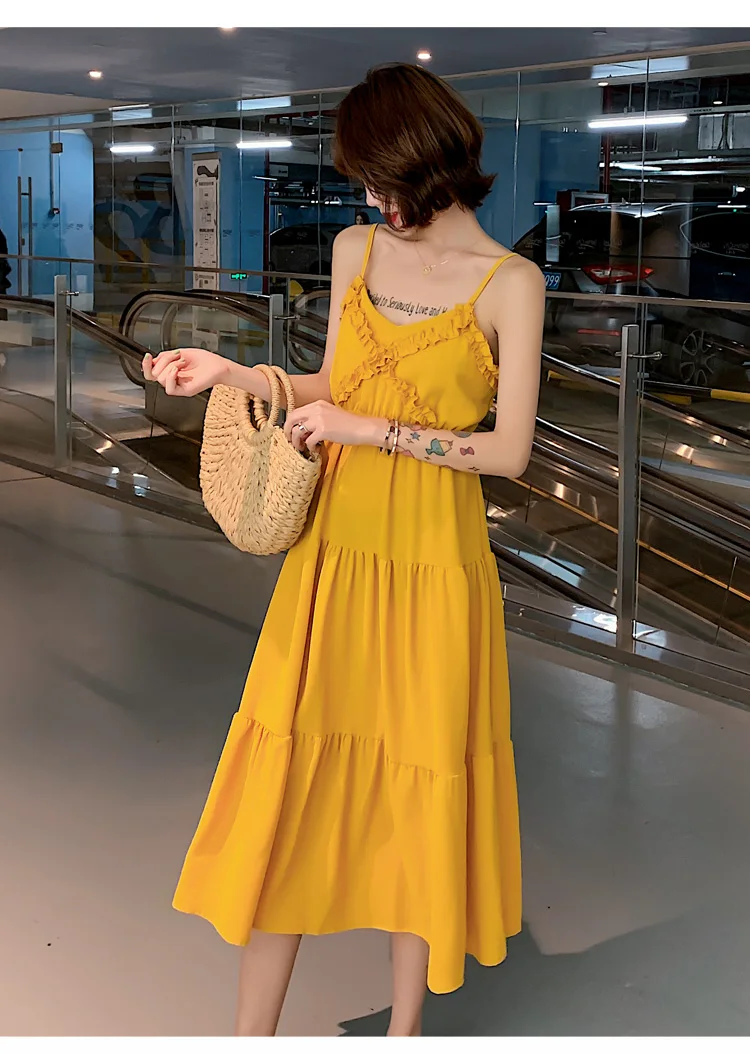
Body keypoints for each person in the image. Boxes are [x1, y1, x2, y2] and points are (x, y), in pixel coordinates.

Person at [144, 62, 545, 1038]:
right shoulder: (355, 249)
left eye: (378, 179)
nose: (368, 200)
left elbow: (510, 451)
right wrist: (231, 371)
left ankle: (405, 1031)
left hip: (437, 564)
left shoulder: (513, 284)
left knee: (419, 785)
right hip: (332, 554)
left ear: (425, 160)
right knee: (290, 787)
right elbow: (332, 380)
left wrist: (374, 433)